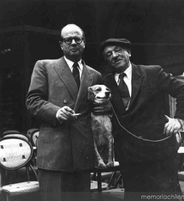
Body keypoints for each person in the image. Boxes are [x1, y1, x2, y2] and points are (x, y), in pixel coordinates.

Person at [99, 38, 184, 200]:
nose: (114, 55)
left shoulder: (152, 72)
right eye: (109, 54)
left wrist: (179, 119)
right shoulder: (105, 84)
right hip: (130, 157)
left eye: (118, 50)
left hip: (159, 153)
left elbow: (183, 90)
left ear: (129, 52)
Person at [26, 24, 102, 201]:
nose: (73, 42)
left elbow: (96, 112)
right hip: (55, 155)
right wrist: (56, 112)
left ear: (84, 43)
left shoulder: (95, 75)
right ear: (61, 45)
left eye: (78, 39)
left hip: (82, 153)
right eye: (68, 39)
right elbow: (32, 101)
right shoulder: (44, 66)